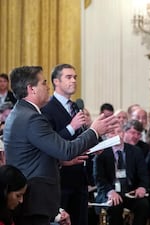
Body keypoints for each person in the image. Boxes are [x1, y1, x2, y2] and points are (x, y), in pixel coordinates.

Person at [3, 66, 117, 225]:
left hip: (33, 196)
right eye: (43, 83)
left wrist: (60, 162)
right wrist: (94, 131)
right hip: (35, 198)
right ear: (32, 89)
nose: (47, 86)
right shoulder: (32, 118)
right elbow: (66, 150)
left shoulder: (21, 112)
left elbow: (32, 154)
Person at [41, 63, 90, 225]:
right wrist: (71, 127)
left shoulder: (75, 106)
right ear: (56, 81)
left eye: (75, 77)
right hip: (61, 179)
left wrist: (93, 146)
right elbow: (49, 142)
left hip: (80, 178)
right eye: (68, 77)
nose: (74, 81)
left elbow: (79, 138)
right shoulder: (47, 109)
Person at [94, 125, 150, 225]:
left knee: (143, 205)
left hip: (130, 191)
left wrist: (142, 187)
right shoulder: (101, 153)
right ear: (106, 136)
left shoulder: (135, 151)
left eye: (119, 132)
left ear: (124, 133)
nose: (117, 135)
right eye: (112, 132)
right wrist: (110, 192)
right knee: (115, 204)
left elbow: (144, 175)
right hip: (109, 191)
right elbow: (99, 178)